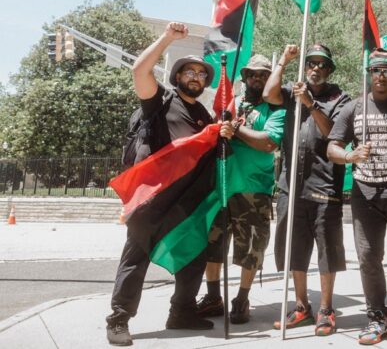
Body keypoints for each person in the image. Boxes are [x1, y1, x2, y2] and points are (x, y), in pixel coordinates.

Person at [106, 22, 232, 346]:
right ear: (177, 78)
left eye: (201, 74)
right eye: (189, 72)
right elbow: (138, 70)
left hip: (187, 205)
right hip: (152, 200)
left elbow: (212, 152)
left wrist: (223, 133)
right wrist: (166, 39)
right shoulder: (160, 100)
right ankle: (119, 319)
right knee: (136, 259)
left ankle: (182, 313)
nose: (196, 77)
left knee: (193, 259)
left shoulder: (204, 115)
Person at [327, 49, 387, 345]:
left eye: (386, 71)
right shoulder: (354, 108)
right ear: (369, 74)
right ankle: (377, 316)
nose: (380, 76)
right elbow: (332, 146)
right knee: (369, 257)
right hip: (365, 194)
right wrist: (349, 155)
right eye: (375, 71)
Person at [264, 43, 351, 336]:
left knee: (327, 250)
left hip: (324, 186)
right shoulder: (292, 90)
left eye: (321, 65)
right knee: (293, 249)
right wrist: (284, 61)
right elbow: (268, 94)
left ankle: (326, 309)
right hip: (291, 185)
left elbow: (333, 134)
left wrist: (311, 105)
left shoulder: (340, 98)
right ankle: (302, 305)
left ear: (329, 70)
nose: (315, 69)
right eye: (311, 63)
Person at [194, 54, 286, 324]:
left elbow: (269, 142)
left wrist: (234, 130)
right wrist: (221, 126)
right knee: (214, 245)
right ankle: (213, 297)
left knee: (251, 248)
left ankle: (242, 298)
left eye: (262, 75)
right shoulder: (231, 105)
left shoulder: (276, 109)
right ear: (244, 77)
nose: (256, 78)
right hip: (222, 186)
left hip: (253, 189)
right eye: (252, 74)